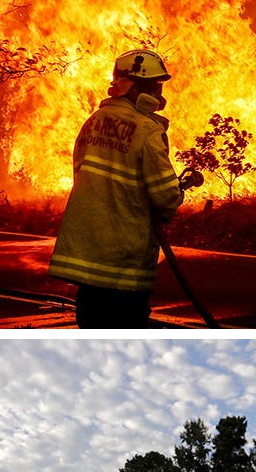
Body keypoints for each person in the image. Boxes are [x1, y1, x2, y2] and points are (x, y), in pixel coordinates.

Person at [48, 48, 189, 328]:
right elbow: (165, 198)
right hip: (124, 260)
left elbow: (82, 175)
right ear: (135, 88)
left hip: (88, 254)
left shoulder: (92, 123)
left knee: (91, 326)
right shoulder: (146, 130)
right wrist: (179, 191)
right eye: (154, 85)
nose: (159, 93)